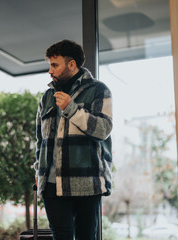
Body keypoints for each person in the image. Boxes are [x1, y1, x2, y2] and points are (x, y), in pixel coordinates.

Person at [36, 40, 113, 240]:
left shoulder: (99, 90)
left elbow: (103, 130)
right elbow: (40, 141)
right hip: (52, 185)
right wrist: (38, 171)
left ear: (71, 65)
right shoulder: (47, 97)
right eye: (49, 65)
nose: (50, 71)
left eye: (55, 65)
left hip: (86, 184)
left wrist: (72, 109)